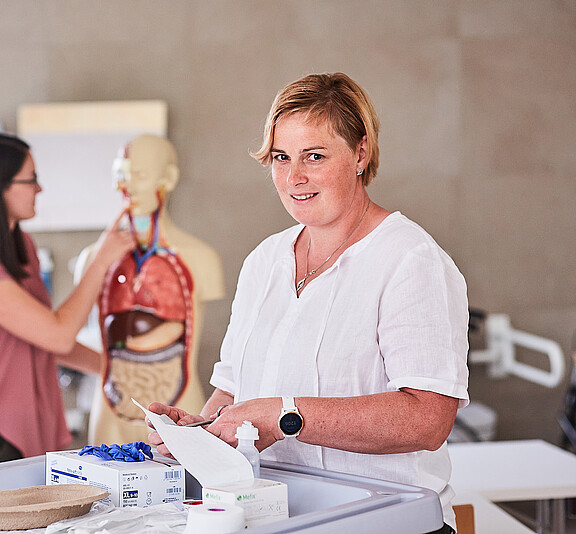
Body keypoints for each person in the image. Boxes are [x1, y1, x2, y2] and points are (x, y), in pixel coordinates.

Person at [148, 73, 469, 534]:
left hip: (387, 522)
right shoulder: (265, 260)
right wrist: (199, 431)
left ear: (360, 153)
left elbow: (427, 419)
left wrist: (285, 415)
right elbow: (235, 393)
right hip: (280, 521)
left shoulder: (410, 260)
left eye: (314, 156)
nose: (294, 177)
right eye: (281, 157)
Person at [0, 132, 135, 473]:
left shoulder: (20, 247)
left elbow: (43, 339)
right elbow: (58, 335)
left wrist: (114, 370)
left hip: (32, 429)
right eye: (32, 180)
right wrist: (101, 261)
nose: (40, 189)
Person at [74, 134, 224, 445]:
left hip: (180, 408)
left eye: (138, 175)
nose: (124, 186)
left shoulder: (201, 258)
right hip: (110, 410)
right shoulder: (91, 259)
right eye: (120, 174)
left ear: (167, 178)